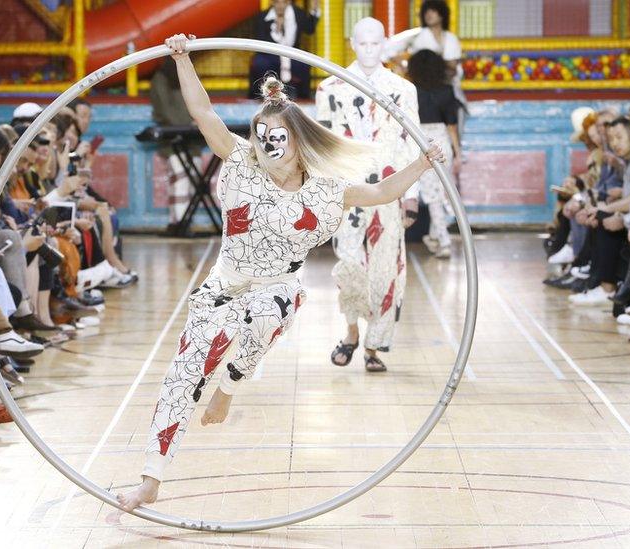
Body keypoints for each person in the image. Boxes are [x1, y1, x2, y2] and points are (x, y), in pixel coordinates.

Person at [116, 33, 443, 512]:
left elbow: (381, 193)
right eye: (260, 136)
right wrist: (183, 59)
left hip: (277, 290)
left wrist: (423, 161)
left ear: (297, 142)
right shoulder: (240, 162)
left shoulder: (326, 189)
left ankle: (229, 386)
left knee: (266, 314)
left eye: (276, 138)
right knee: (182, 376)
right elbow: (203, 113)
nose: (266, 144)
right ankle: (150, 479)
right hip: (223, 285)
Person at [316, 17, 420, 372]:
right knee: (349, 264)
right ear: (352, 43)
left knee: (386, 268)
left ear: (385, 43)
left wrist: (412, 196)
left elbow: (413, 146)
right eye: (363, 43)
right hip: (348, 191)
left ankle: (374, 345)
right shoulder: (330, 88)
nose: (370, 50)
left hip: (390, 191)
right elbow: (325, 146)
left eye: (376, 43)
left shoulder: (404, 90)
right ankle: (350, 332)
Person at [407, 48, 461, 258]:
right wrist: (457, 153)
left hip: (422, 142)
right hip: (443, 141)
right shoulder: (447, 91)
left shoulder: (410, 90)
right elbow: (452, 127)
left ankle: (445, 242)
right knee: (440, 191)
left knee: (433, 195)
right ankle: (435, 237)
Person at [385, 0, 466, 133]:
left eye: (433, 11)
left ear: (442, 14)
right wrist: (405, 66)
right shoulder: (417, 35)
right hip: (422, 92)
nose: (429, 14)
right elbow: (388, 48)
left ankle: (454, 151)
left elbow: (453, 68)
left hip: (446, 90)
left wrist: (437, 62)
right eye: (426, 11)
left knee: (453, 125)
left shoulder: (451, 38)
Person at [150, 57, 198, 231]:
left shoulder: (188, 77)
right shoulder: (160, 80)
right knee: (180, 179)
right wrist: (189, 124)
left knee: (193, 182)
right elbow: (165, 111)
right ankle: (179, 223)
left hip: (192, 142)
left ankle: (184, 221)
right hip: (173, 140)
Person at [248, 0, 319, 100]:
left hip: (292, 53)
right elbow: (260, 40)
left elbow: (310, 29)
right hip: (270, 54)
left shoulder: (298, 13)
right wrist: (277, 29)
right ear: (272, 3)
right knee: (259, 63)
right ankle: (258, 94)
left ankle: (302, 95)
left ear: (289, 2)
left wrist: (315, 10)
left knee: (304, 64)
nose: (281, 5)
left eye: (284, 2)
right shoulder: (263, 17)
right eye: (277, 2)